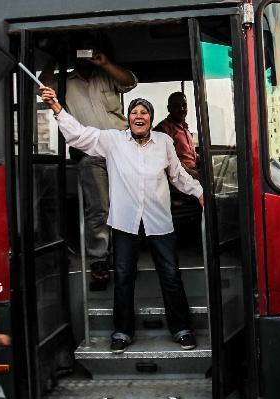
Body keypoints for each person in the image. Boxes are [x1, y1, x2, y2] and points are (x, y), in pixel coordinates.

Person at [39, 86, 203, 352]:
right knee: (124, 276)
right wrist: (57, 108)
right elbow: (79, 135)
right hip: (125, 222)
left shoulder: (164, 142)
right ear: (128, 118)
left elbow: (178, 175)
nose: (139, 116)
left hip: (159, 221)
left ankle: (182, 329)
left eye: (144, 112)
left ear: (150, 118)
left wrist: (199, 192)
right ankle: (122, 332)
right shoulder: (112, 140)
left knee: (171, 275)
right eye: (134, 112)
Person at [43, 44, 138, 289]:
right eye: (80, 51)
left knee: (126, 207)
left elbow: (130, 82)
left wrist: (104, 62)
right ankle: (99, 262)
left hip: (122, 149)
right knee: (99, 208)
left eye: (89, 51)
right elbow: (40, 85)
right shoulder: (65, 81)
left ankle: (124, 259)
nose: (84, 55)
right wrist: (56, 56)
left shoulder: (108, 75)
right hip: (89, 152)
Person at [155, 92, 200, 181]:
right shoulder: (163, 129)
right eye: (176, 106)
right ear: (169, 108)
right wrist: (190, 172)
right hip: (179, 180)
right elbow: (166, 159)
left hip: (193, 174)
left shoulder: (185, 128)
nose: (181, 109)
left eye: (184, 105)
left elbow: (189, 155)